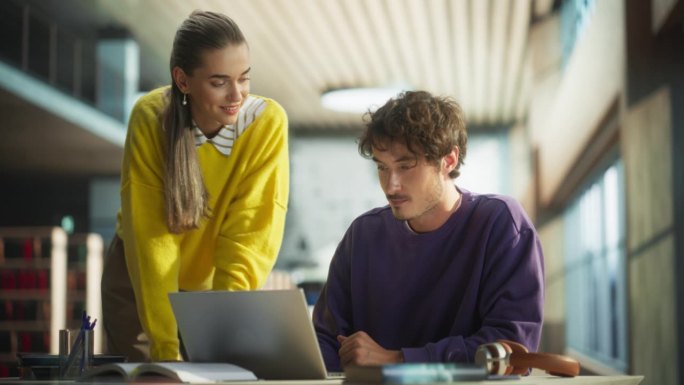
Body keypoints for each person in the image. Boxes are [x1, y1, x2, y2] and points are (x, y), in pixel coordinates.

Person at [101, 10, 289, 362]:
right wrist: (166, 352)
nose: (237, 94)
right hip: (138, 279)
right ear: (183, 81)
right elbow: (153, 244)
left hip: (209, 283)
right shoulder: (150, 117)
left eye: (244, 78)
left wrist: (221, 334)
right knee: (154, 377)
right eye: (219, 81)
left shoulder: (267, 124)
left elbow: (250, 236)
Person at [312, 91, 544, 371]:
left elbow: (513, 349)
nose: (391, 185)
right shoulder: (363, 235)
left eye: (406, 166)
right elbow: (326, 341)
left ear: (449, 161)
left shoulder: (500, 223)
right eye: (382, 168)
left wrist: (398, 360)